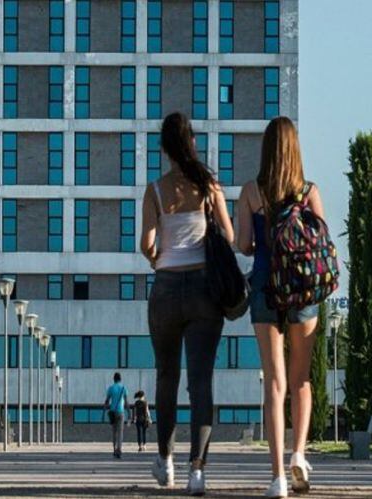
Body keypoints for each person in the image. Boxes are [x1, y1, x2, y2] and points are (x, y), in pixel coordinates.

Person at [142, 112, 234, 497]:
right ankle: (198, 470)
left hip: (164, 289)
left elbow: (146, 244)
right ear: (192, 142)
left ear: (164, 149)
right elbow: (228, 235)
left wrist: (160, 258)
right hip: (203, 292)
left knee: (167, 377)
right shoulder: (209, 186)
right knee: (200, 382)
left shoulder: (156, 190)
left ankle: (165, 461)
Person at [236, 117, 324, 498]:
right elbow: (320, 243)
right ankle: (299, 454)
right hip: (303, 291)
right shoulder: (309, 191)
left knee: (274, 381)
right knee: (301, 378)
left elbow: (242, 245)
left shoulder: (251, 193)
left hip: (265, 289)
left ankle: (276, 477)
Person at [103, 372, 129, 459]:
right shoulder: (123, 388)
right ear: (120, 379)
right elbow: (126, 402)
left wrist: (104, 411)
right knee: (120, 432)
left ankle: (114, 449)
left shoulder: (111, 388)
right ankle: (119, 449)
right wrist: (129, 413)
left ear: (114, 379)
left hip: (113, 412)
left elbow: (107, 401)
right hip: (121, 412)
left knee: (114, 432)